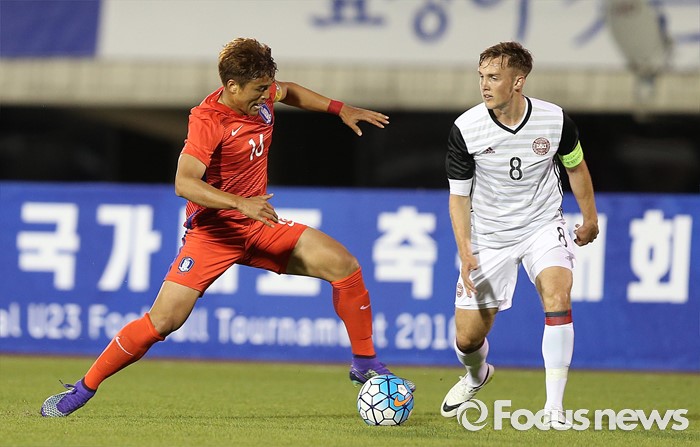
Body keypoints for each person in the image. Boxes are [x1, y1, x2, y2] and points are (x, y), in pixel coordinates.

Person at [41, 37, 414, 418]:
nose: (268, 95)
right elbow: (184, 183)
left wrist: (339, 109)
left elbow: (291, 92)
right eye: (260, 89)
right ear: (232, 86)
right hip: (213, 235)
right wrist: (239, 203)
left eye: (268, 86)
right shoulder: (208, 121)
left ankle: (364, 363)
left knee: (344, 265)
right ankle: (82, 390)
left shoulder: (262, 96)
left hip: (259, 225)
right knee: (163, 322)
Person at [440, 41, 598, 428]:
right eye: (481, 76)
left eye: (494, 77)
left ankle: (554, 408)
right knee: (467, 339)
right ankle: (476, 375)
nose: (484, 84)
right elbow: (458, 198)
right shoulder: (466, 128)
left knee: (558, 295)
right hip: (489, 236)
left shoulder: (556, 121)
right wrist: (466, 251)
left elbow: (575, 167)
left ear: (518, 82)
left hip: (542, 225)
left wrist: (590, 218)